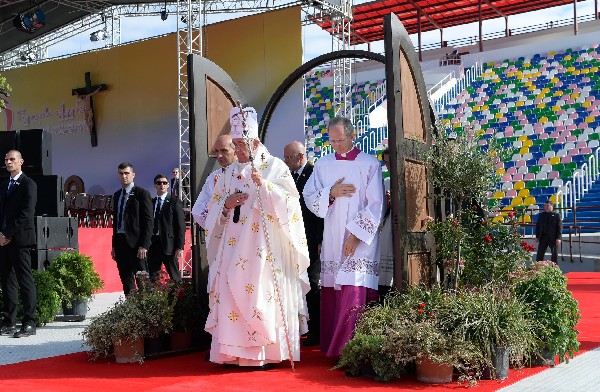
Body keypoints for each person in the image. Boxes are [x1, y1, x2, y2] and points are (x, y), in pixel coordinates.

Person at [203, 106, 310, 368]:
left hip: (264, 249)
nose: (237, 150)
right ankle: (232, 352)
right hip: (231, 248)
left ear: (255, 142)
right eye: (235, 144)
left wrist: (267, 187)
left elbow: (293, 206)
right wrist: (226, 204)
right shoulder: (226, 174)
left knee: (261, 297)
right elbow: (212, 209)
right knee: (229, 293)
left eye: (241, 144)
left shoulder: (275, 167)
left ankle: (268, 353)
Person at [303, 116, 384, 357]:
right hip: (332, 234)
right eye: (332, 140)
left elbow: (376, 204)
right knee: (333, 288)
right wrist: (330, 192)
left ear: (353, 135)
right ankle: (332, 347)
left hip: (360, 240)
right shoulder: (323, 164)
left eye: (341, 139)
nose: (336, 145)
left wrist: (355, 236)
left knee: (354, 288)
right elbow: (309, 197)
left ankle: (351, 351)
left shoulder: (369, 164)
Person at [283, 141, 324, 347]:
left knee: (312, 285)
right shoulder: (289, 176)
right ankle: (302, 328)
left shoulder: (313, 173)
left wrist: (321, 239)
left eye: (288, 158)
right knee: (297, 286)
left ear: (300, 157)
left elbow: (319, 211)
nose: (285, 161)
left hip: (311, 240)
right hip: (293, 240)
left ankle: (316, 331)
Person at [0, 150, 37, 338]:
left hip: (20, 239)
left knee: (25, 280)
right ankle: (9, 321)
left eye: (12, 159)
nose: (8, 162)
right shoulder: (4, 184)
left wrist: (7, 233)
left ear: (21, 161)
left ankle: (30, 321)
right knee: (7, 280)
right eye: (6, 160)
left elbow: (26, 214)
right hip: (3, 240)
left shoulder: (28, 184)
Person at [111, 162, 153, 294]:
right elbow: (116, 220)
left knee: (142, 278)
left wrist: (144, 245)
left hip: (137, 243)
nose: (124, 176)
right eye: (121, 173)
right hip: (120, 241)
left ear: (133, 175)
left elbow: (148, 221)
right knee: (126, 278)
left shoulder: (142, 194)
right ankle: (131, 308)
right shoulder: (117, 195)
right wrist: (113, 245)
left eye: (126, 173)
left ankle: (147, 308)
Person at [191, 134, 237, 229]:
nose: (219, 155)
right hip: (223, 233)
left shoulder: (248, 172)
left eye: (224, 150)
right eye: (216, 151)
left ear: (236, 151)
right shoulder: (212, 177)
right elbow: (198, 211)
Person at [148, 174, 185, 282]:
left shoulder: (174, 202)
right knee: (153, 276)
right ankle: (155, 298)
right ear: (155, 185)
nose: (162, 185)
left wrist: (180, 246)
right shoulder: (151, 202)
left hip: (169, 245)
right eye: (159, 183)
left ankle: (179, 297)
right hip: (153, 244)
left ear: (168, 185)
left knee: (175, 276)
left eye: (164, 183)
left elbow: (180, 225)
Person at [378, 148, 393, 300]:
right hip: (387, 230)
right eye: (386, 162)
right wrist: (387, 205)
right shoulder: (386, 182)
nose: (388, 165)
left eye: (391, 161)